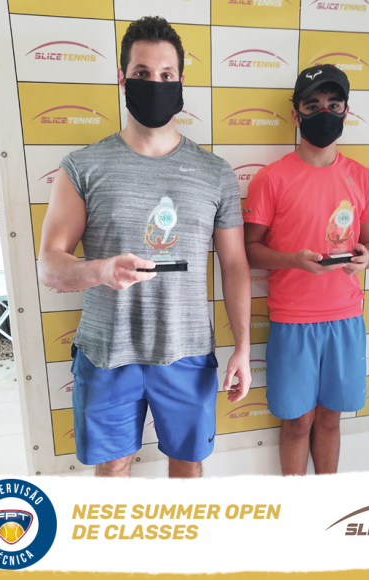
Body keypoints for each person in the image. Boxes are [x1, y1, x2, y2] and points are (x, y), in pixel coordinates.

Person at [38, 16, 251, 479]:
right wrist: (100, 271)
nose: (155, 83)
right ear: (122, 77)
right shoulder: (82, 166)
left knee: (188, 468)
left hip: (188, 352)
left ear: (180, 81)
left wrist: (242, 346)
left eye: (166, 74)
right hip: (107, 351)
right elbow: (49, 265)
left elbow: (235, 264)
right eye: (142, 73)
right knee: (112, 470)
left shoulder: (215, 172)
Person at [243, 64, 369, 476]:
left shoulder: (363, 178)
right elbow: (249, 251)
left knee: (330, 420)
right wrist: (292, 260)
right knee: (298, 422)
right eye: (313, 104)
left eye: (333, 105)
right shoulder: (271, 179)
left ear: (345, 111)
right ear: (296, 113)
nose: (324, 112)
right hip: (293, 320)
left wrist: (367, 257)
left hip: (346, 318)